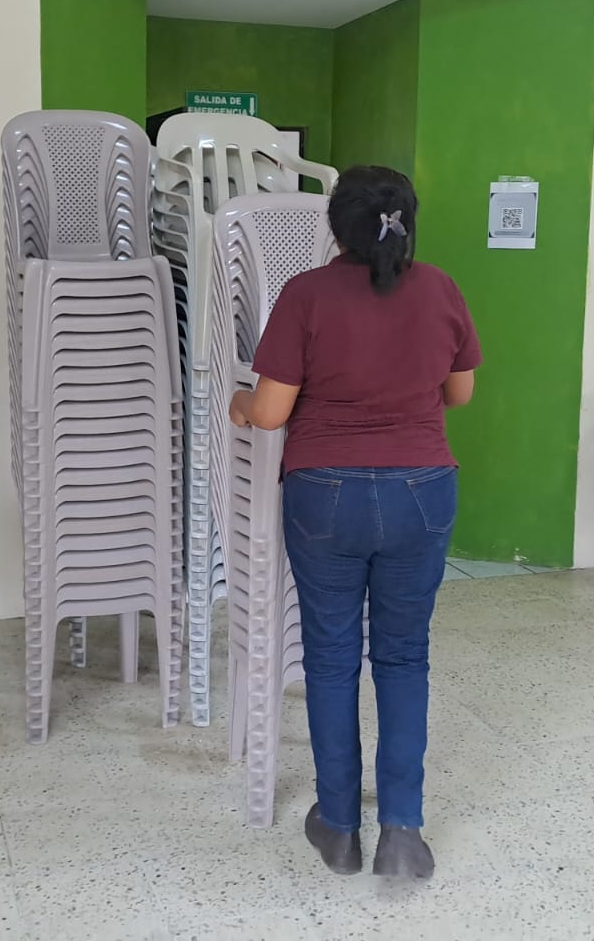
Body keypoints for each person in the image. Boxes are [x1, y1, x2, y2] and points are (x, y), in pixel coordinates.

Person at [229, 165, 481, 880]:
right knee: (403, 658)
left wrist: (240, 403)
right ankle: (402, 831)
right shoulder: (439, 288)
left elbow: (271, 412)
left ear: (336, 228)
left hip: (326, 494)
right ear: (408, 223)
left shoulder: (306, 293)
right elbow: (459, 394)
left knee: (333, 659)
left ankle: (338, 826)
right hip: (422, 491)